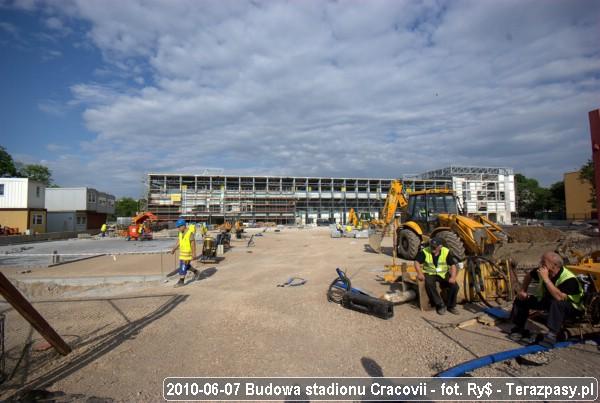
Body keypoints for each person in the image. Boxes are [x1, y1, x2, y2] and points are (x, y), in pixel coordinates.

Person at [510, 251, 583, 346]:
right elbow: (529, 275)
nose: (540, 264)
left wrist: (546, 279)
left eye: (543, 262)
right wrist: (523, 290)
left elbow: (559, 297)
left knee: (556, 303)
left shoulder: (569, 279)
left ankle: (552, 335)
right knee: (522, 299)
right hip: (549, 301)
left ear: (554, 265)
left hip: (571, 308)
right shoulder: (543, 271)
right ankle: (518, 328)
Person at [414, 237, 460, 315]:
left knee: (455, 286)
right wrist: (419, 273)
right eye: (431, 246)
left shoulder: (446, 251)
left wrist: (453, 277)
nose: (432, 248)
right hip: (430, 273)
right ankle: (440, 304)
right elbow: (416, 262)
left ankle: (451, 306)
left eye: (434, 247)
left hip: (443, 273)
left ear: (440, 247)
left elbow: (453, 265)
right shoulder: (425, 251)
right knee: (429, 284)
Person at [170, 218, 199, 287]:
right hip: (182, 254)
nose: (178, 229)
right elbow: (179, 242)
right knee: (186, 266)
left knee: (182, 266)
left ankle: (181, 281)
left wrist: (194, 254)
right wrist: (174, 249)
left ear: (183, 226)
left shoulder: (190, 233)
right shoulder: (180, 233)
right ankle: (196, 272)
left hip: (188, 254)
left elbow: (193, 244)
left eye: (179, 227)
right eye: (178, 227)